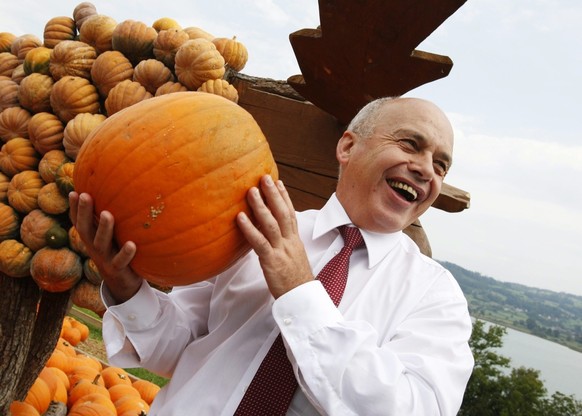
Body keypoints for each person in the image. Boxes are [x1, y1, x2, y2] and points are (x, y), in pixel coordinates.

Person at [69, 96, 474, 415]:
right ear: (348, 145)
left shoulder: (436, 297)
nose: (426, 170)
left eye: (441, 166)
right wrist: (126, 289)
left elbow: (413, 408)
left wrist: (299, 290)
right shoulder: (248, 225)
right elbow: (176, 350)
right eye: (410, 144)